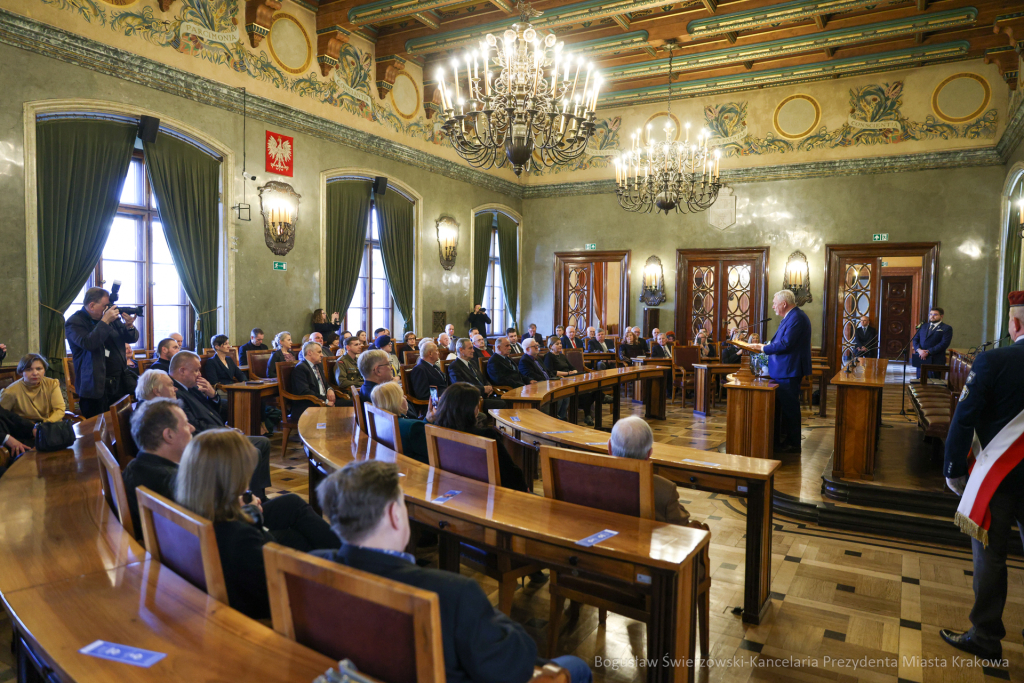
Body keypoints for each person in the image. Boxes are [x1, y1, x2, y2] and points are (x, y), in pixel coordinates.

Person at [314, 460, 591, 683]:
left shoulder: (314, 565)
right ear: (394, 515)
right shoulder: (453, 593)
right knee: (575, 666)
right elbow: (511, 666)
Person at [939, 291, 1024, 662]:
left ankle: (986, 635)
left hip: (1001, 478)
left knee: (990, 554)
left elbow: (964, 417)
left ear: (1015, 323)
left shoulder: (996, 360)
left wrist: (954, 469)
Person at [175, 429, 340, 619]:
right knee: (313, 546)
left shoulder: (193, 506)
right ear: (231, 478)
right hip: (269, 613)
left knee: (298, 533)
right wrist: (252, 514)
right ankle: (352, 565)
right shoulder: (238, 535)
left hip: (238, 587)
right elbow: (277, 590)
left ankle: (348, 562)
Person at [166, 351, 272, 500]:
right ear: (182, 370)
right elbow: (195, 425)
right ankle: (250, 499)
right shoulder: (175, 392)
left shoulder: (191, 387)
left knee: (263, 442)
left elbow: (212, 413)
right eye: (196, 370)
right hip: (206, 442)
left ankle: (259, 493)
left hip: (219, 432)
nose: (199, 374)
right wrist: (224, 432)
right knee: (254, 452)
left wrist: (213, 395)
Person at [749, 290, 812, 455]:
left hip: (789, 370)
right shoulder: (791, 317)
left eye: (775, 303)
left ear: (784, 304)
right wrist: (765, 346)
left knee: (790, 409)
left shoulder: (797, 317)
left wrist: (762, 348)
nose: (773, 306)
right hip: (784, 370)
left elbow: (786, 344)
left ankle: (793, 444)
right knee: (785, 409)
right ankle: (786, 440)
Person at [431, 383, 527, 491]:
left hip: (450, 488)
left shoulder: (435, 431)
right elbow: (508, 471)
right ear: (471, 409)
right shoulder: (486, 435)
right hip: (488, 494)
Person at [122, 397, 195, 535]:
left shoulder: (133, 466)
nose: (192, 428)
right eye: (186, 424)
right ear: (169, 435)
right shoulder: (175, 483)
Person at [64, 286, 139, 418]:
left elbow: (130, 339)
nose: (109, 309)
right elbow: (89, 343)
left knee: (120, 426)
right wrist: (105, 321)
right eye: (105, 306)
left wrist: (129, 326)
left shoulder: (112, 320)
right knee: (98, 428)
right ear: (92, 305)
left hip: (119, 383)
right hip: (96, 386)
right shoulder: (75, 322)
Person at [609, 417, 690, 524]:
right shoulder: (665, 489)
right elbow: (681, 525)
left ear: (609, 448)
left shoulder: (590, 478)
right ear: (649, 454)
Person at [370, 382, 429, 464]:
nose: (405, 397)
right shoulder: (413, 426)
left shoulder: (377, 422)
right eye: (402, 396)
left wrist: (428, 420)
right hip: (417, 468)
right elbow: (433, 451)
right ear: (396, 402)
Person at [1, 354, 65, 423]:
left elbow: (59, 410)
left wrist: (44, 425)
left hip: (50, 425)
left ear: (44, 370)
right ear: (21, 372)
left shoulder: (52, 384)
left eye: (39, 369)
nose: (35, 373)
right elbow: (2, 416)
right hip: (25, 429)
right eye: (29, 369)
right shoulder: (10, 392)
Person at [544, 337, 594, 425]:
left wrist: (574, 371)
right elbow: (551, 372)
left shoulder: (562, 355)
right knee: (586, 384)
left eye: (560, 343)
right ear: (551, 346)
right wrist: (567, 373)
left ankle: (588, 413)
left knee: (587, 386)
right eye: (557, 344)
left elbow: (572, 367)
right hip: (561, 379)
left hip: (570, 377)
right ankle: (588, 413)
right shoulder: (549, 356)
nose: (560, 345)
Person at [448, 339, 506, 412]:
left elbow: (483, 379)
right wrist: (483, 389)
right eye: (470, 348)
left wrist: (489, 387)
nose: (473, 351)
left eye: (472, 348)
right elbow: (461, 387)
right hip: (471, 400)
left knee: (507, 399)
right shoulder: (454, 366)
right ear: (461, 350)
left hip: (485, 396)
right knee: (502, 403)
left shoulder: (472, 363)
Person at [289, 341, 335, 419]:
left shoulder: (318, 365)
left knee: (350, 403)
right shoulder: (301, 368)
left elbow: (325, 383)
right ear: (309, 353)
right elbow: (304, 392)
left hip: (321, 400)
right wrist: (325, 401)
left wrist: (330, 389)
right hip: (308, 405)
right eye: (319, 352)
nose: (322, 355)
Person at [911, 307, 952, 379]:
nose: (932, 316)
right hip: (921, 358)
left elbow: (944, 343)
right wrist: (919, 350)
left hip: (935, 360)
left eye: (935, 314)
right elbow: (915, 339)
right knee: (919, 381)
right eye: (930, 314)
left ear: (941, 316)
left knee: (933, 383)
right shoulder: (923, 326)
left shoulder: (946, 328)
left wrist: (928, 351)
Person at [408, 340, 449, 410]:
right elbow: (422, 394)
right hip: (433, 406)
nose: (438, 353)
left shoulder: (434, 366)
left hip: (444, 400)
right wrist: (443, 396)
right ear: (430, 354)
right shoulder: (419, 369)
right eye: (436, 351)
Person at [333, 336, 363, 405]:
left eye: (359, 344)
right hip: (350, 393)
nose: (359, 346)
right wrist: (360, 384)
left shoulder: (359, 360)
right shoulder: (341, 362)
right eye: (356, 345)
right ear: (348, 347)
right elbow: (342, 382)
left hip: (360, 391)